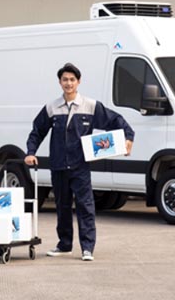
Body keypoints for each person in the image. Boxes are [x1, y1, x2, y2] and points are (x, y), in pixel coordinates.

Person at [24, 63, 134, 262]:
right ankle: (64, 245)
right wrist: (31, 152)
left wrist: (128, 138)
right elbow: (37, 131)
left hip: (80, 166)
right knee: (62, 207)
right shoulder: (52, 107)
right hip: (58, 166)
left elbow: (115, 120)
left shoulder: (90, 106)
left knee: (85, 206)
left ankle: (87, 248)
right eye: (65, 80)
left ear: (78, 81)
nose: (69, 83)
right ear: (60, 82)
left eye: (72, 80)